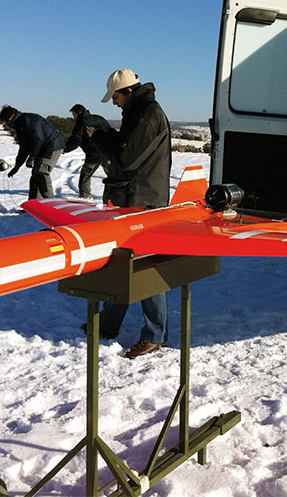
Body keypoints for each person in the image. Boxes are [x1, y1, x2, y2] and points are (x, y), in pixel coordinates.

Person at [89, 68, 172, 359]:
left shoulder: (148, 114)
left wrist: (101, 136)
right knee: (121, 263)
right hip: (134, 197)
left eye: (114, 97)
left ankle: (155, 335)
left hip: (144, 201)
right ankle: (110, 324)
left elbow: (128, 158)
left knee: (145, 268)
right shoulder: (139, 111)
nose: (114, 103)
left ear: (126, 91)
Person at [0, 105, 64, 200]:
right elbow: (23, 148)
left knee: (42, 172)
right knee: (35, 176)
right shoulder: (19, 125)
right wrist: (17, 166)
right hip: (42, 148)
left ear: (10, 117)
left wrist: (32, 157)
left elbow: (38, 139)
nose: (6, 124)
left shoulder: (29, 120)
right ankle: (34, 204)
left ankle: (50, 204)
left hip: (52, 146)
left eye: (5, 121)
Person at [63, 104, 116, 201]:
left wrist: (64, 149)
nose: (73, 117)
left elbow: (76, 140)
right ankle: (116, 194)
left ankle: (85, 196)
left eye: (73, 114)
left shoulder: (81, 122)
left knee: (86, 175)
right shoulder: (98, 118)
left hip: (94, 153)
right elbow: (110, 131)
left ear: (78, 112)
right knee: (113, 175)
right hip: (107, 151)